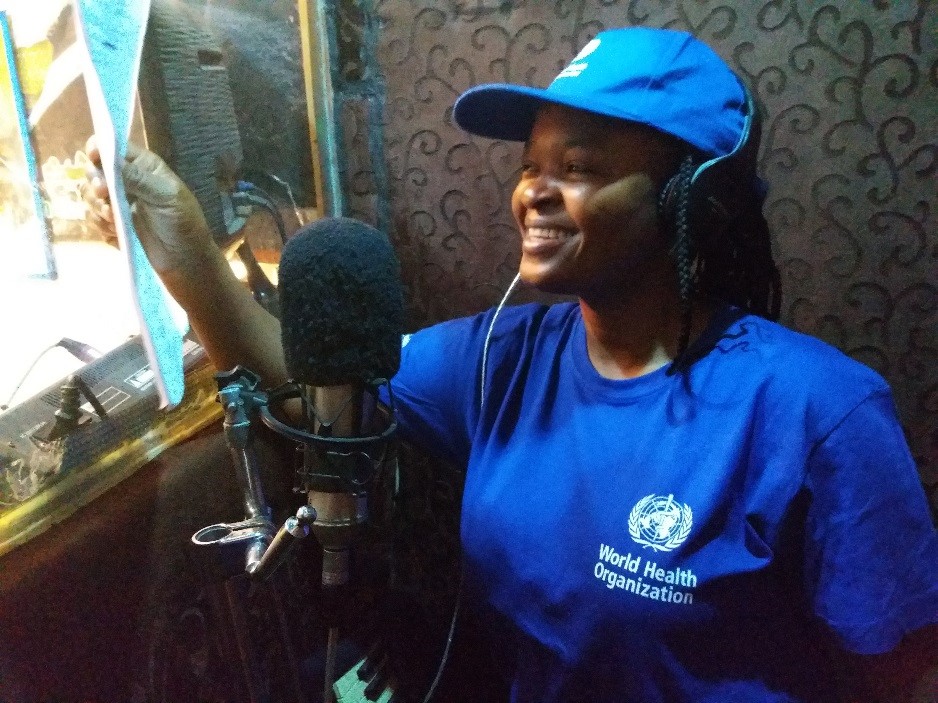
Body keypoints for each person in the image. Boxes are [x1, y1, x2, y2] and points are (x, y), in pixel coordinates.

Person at [87, 26, 936, 703]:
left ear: (691, 203)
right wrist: (187, 256)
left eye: (580, 167)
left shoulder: (820, 411)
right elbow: (318, 394)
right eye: (530, 164)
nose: (534, 189)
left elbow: (890, 671)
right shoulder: (502, 357)